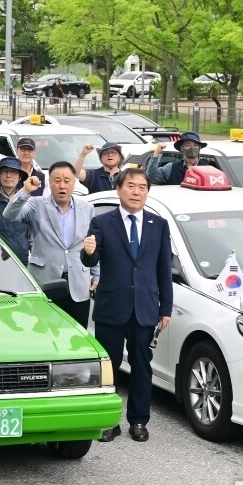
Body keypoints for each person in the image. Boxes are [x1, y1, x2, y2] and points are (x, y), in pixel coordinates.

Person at [81, 168, 173, 443]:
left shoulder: (159, 224)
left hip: (145, 306)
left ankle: (138, 421)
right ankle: (108, 421)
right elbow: (90, 260)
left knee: (142, 366)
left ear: (147, 192)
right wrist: (88, 252)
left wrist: (165, 308)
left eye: (142, 187)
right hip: (112, 305)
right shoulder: (103, 222)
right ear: (119, 190)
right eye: (131, 186)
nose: (136, 192)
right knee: (109, 366)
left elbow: (163, 270)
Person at [2, 161, 97, 325]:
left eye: (67, 181)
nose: (62, 186)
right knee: (45, 332)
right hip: (45, 281)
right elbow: (9, 215)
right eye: (57, 180)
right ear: (49, 183)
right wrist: (25, 191)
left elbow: (92, 244)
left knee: (78, 337)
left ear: (74, 182)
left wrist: (96, 273)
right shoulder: (36, 203)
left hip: (79, 283)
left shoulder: (87, 208)